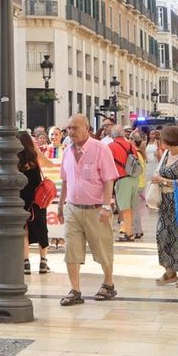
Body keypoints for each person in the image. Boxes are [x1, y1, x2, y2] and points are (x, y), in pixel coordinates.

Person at [57, 114, 119, 306]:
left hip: (96, 209)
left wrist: (107, 205)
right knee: (71, 250)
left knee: (102, 248)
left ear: (87, 128)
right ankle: (75, 290)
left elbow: (109, 178)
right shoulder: (67, 151)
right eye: (69, 128)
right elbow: (65, 180)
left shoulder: (100, 149)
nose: (71, 132)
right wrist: (60, 205)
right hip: (72, 208)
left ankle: (108, 284)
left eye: (75, 128)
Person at [151, 124, 178, 287]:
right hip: (165, 201)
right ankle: (169, 271)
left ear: (167, 141)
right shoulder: (167, 154)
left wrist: (162, 180)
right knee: (162, 235)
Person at [19, 135, 51, 275]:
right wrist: (37, 151)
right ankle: (43, 262)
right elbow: (49, 164)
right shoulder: (35, 156)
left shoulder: (16, 158)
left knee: (24, 229)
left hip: (22, 198)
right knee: (41, 229)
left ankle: (25, 262)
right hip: (38, 199)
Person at [107, 128, 142, 242]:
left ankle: (129, 234)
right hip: (134, 178)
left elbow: (107, 162)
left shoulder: (111, 146)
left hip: (122, 179)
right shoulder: (131, 145)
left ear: (113, 135)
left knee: (124, 208)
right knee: (131, 207)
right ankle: (129, 231)